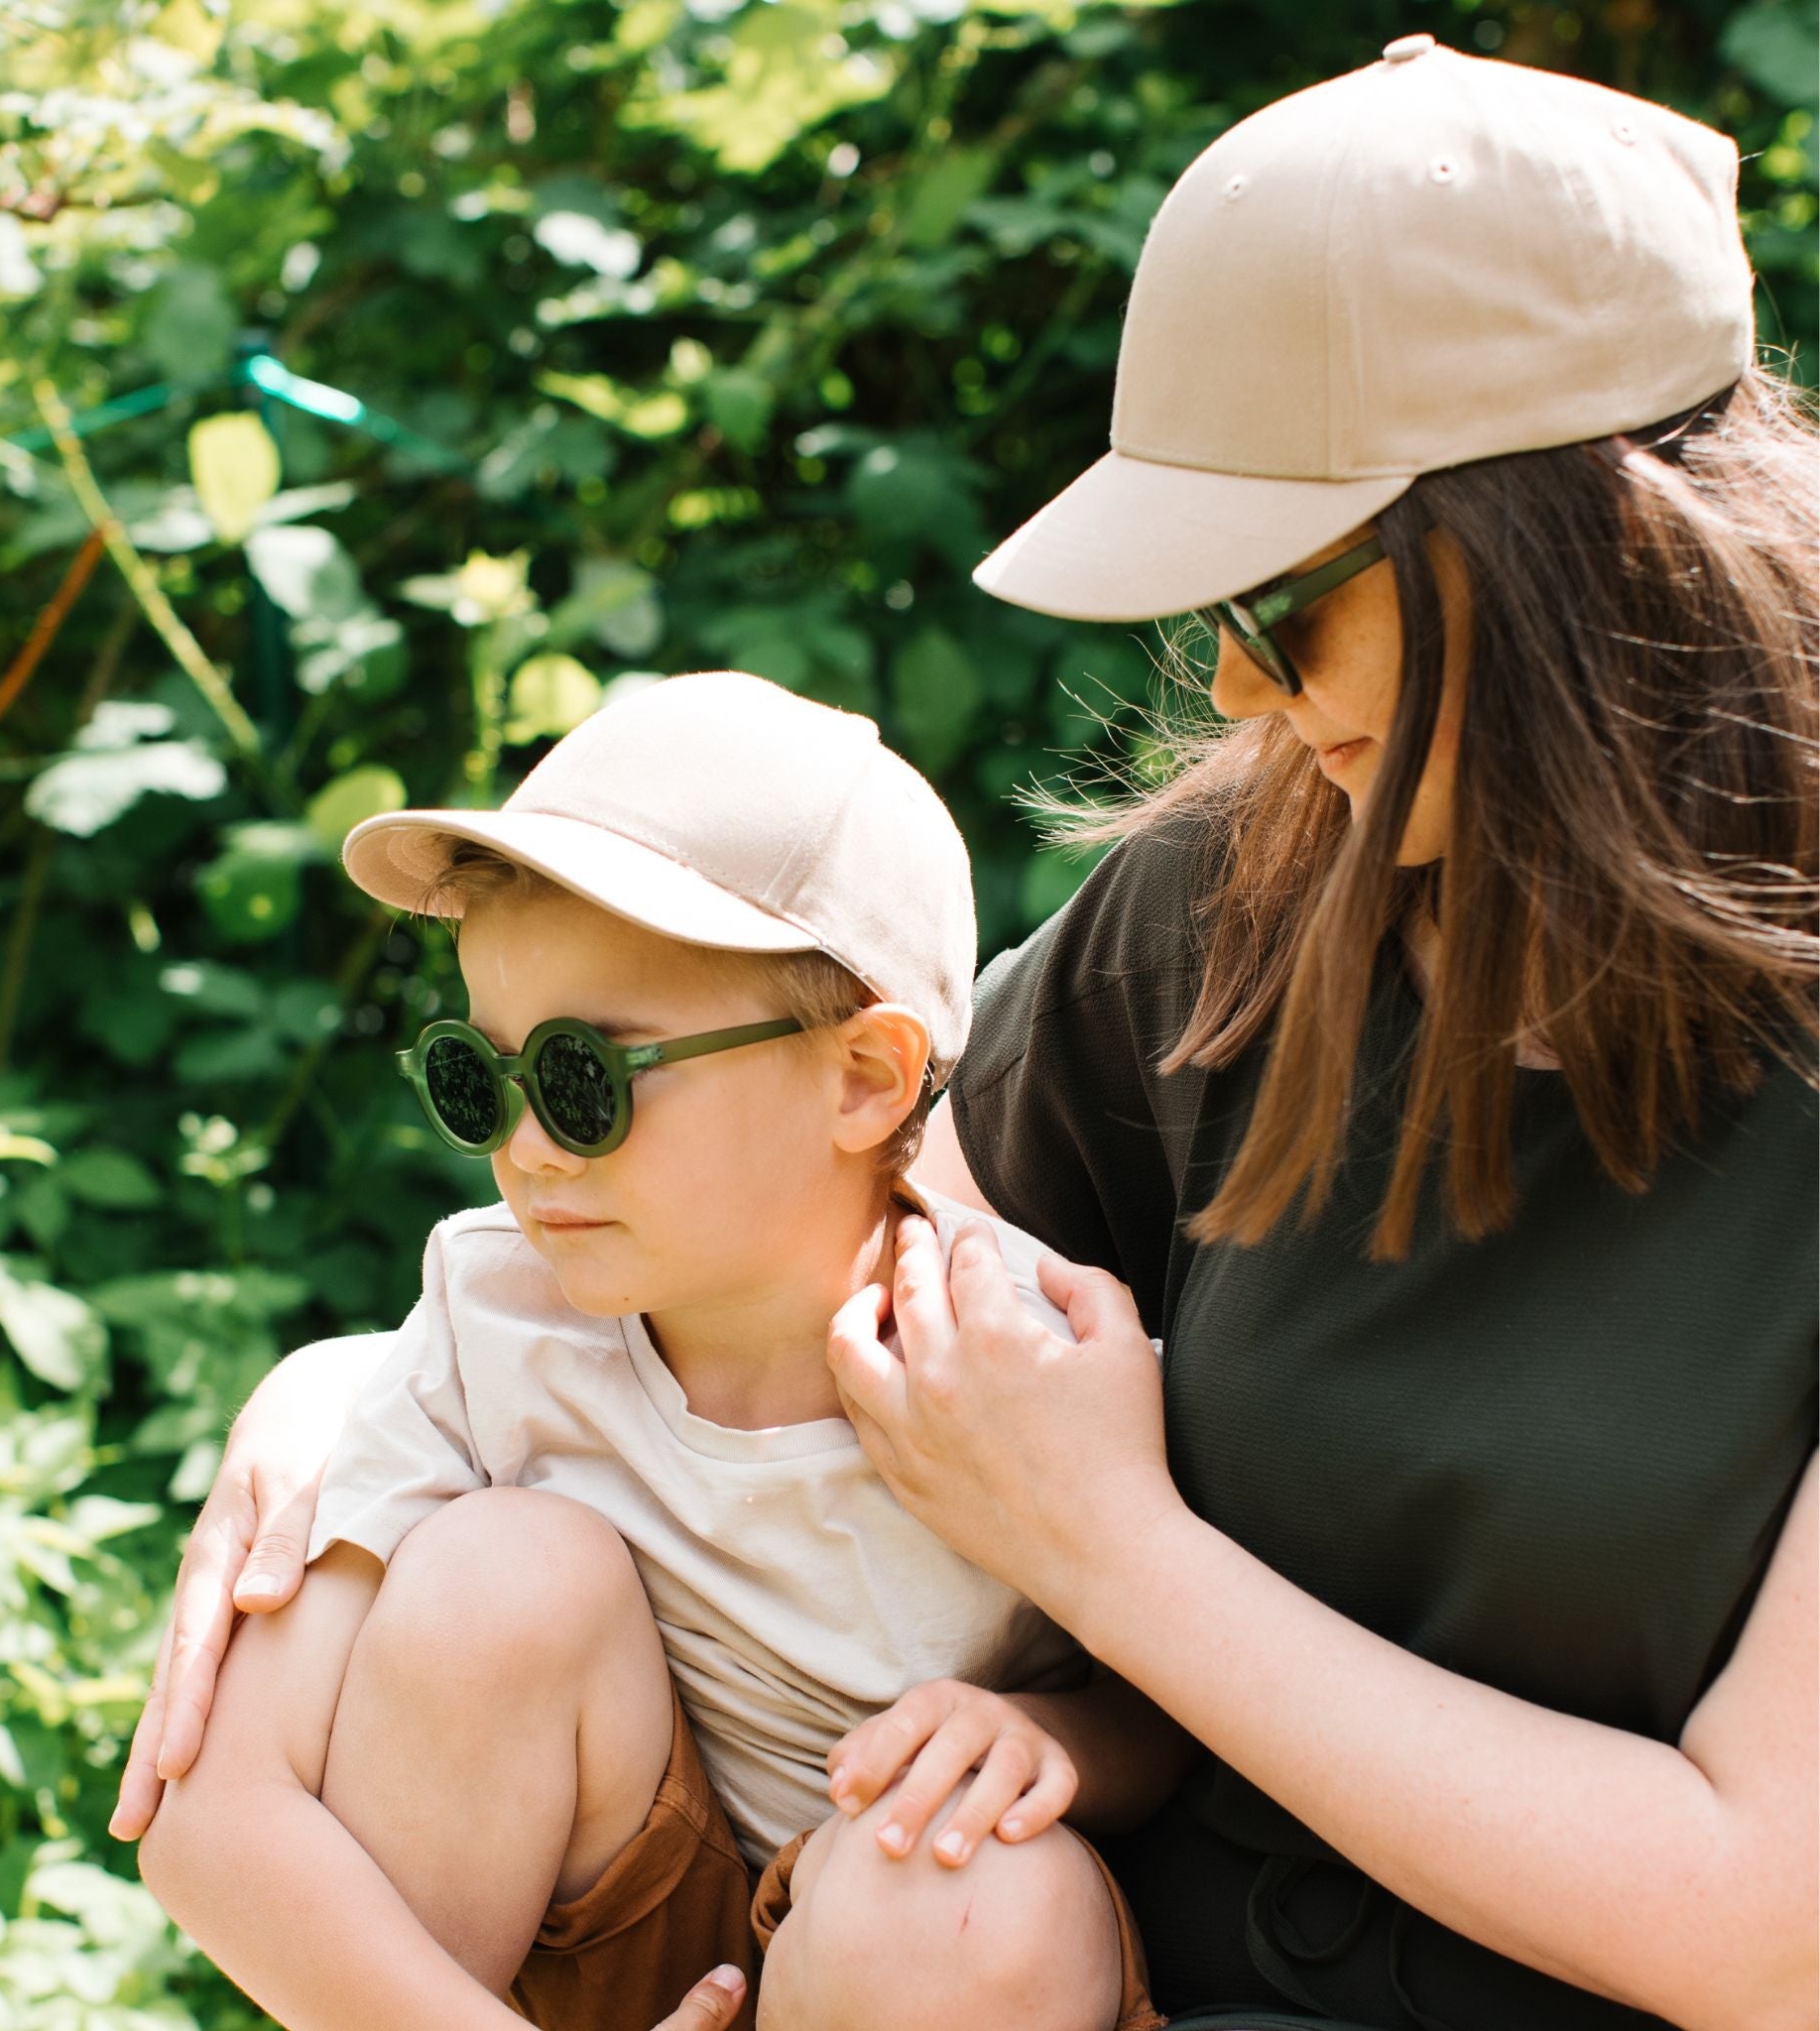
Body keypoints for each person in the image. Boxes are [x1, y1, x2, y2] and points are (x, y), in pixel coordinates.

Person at [115, 39, 1818, 2031]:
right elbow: (765, 1202)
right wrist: (339, 1405)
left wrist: (1112, 1556)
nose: (1243, 692)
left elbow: (1759, 1931)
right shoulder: (1233, 908)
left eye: (1286, 600)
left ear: (1572, 543)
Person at [132, 670, 1167, 2031]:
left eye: (585, 1079)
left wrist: (1066, 1743)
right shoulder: (494, 1316)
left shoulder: (1020, 1366)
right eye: (477, 1075)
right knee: (505, 1573)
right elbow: (213, 1819)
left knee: (970, 1893)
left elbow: (1191, 1711)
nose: (523, 1146)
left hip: (909, 1955)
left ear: (861, 1078)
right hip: (561, 1959)